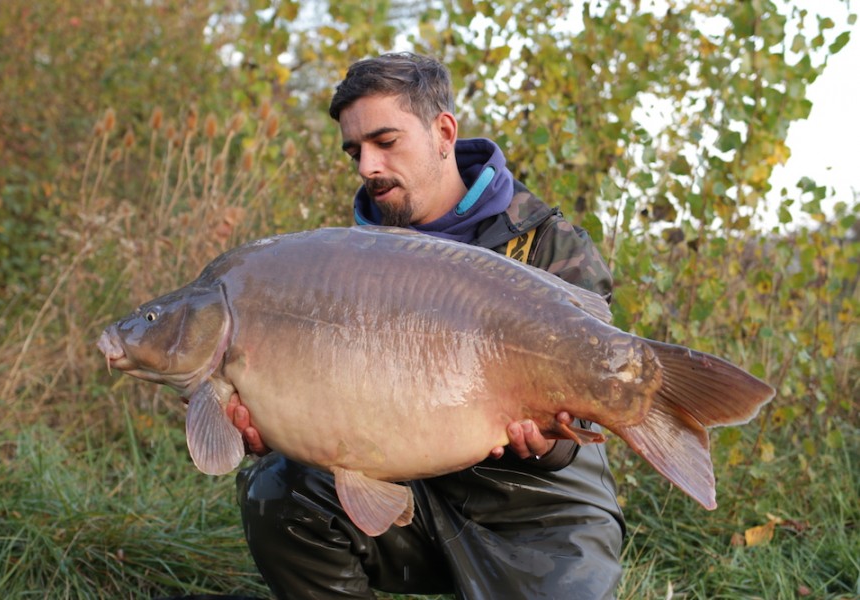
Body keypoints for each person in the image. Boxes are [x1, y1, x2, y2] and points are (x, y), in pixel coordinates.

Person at [227, 52, 625, 599]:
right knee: (278, 492)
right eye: (355, 151)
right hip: (407, 504)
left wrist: (547, 442)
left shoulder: (549, 246)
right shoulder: (340, 267)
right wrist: (274, 425)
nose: (368, 166)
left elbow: (577, 432)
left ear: (443, 131)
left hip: (540, 516)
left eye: (385, 143)